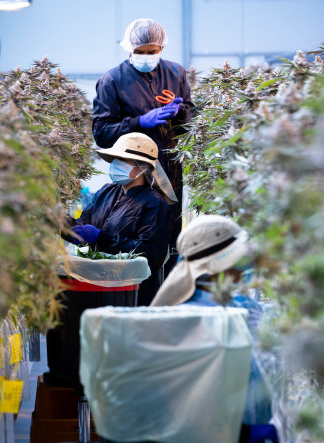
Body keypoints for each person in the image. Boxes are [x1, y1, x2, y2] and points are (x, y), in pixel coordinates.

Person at [150, 215, 279, 443]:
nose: (244, 271)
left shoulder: (234, 306)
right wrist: (244, 433)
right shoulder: (197, 318)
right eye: (240, 264)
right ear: (221, 267)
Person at [92, 18, 194, 276]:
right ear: (129, 48)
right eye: (140, 52)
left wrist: (180, 111)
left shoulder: (176, 73)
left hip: (170, 173)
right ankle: (135, 293)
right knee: (137, 241)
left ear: (162, 48)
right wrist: (139, 122)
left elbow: (192, 126)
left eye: (152, 52)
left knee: (169, 243)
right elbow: (102, 133)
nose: (146, 57)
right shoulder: (112, 81)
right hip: (135, 175)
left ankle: (165, 301)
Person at [64, 132, 176, 306]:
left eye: (122, 160)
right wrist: (63, 225)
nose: (115, 164)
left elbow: (148, 252)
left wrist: (102, 238)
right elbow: (83, 226)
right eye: (115, 159)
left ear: (141, 168)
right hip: (93, 285)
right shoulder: (107, 192)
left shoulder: (155, 204)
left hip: (131, 292)